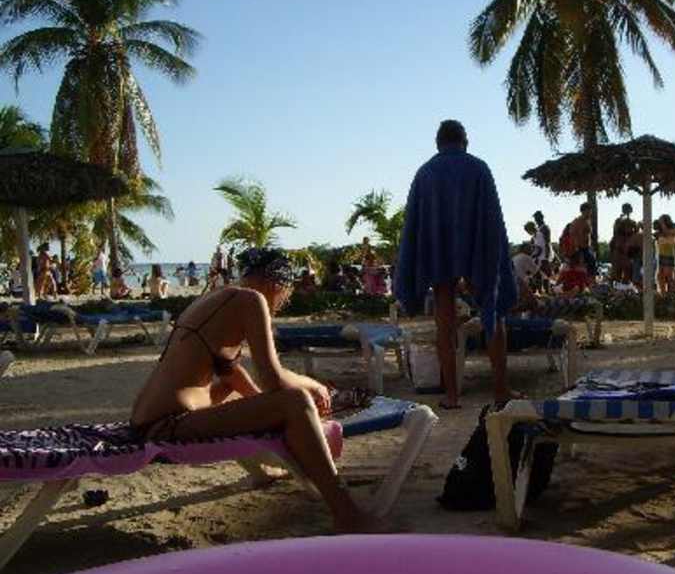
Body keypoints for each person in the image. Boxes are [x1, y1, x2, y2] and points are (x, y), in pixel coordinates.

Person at [130, 248, 376, 532]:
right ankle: (346, 513)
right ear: (277, 285)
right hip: (167, 424)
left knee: (270, 400)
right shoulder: (252, 300)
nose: (280, 305)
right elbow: (273, 378)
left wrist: (265, 403)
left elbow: (232, 374)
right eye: (284, 297)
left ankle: (273, 471)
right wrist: (313, 387)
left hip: (149, 415)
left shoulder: (216, 296)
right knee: (295, 402)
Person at [394, 119, 517, 409]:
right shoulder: (479, 168)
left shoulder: (425, 173)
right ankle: (501, 390)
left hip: (439, 253)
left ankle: (451, 395)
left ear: (438, 144)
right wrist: (493, 257)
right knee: (493, 311)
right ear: (465, 141)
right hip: (477, 248)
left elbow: (415, 224)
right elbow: (492, 218)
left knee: (444, 322)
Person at [609, 203, 637, 284]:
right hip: (618, 248)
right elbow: (615, 232)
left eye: (628, 210)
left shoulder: (633, 222)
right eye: (626, 210)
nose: (627, 212)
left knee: (627, 271)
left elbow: (635, 233)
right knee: (616, 271)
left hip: (627, 250)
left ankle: (624, 289)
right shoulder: (618, 221)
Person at [567, 203, 596, 278]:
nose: (590, 212)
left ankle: (590, 281)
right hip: (579, 248)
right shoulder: (577, 222)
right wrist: (576, 249)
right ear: (583, 211)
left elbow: (589, 235)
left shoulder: (588, 221)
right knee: (590, 263)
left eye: (591, 211)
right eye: (589, 210)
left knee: (592, 263)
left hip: (587, 248)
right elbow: (573, 235)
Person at [655, 215, 675, 295]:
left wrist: (662, 223)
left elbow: (667, 233)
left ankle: (670, 294)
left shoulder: (673, 229)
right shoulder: (659, 232)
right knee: (660, 276)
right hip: (661, 255)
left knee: (669, 276)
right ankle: (663, 294)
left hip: (669, 255)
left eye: (661, 220)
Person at [532, 211, 554, 282]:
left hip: (544, 252)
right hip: (537, 252)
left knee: (545, 271)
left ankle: (549, 288)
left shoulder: (545, 228)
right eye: (535, 218)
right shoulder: (536, 229)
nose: (536, 220)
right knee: (537, 271)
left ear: (541, 218)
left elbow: (548, 242)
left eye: (537, 218)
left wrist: (546, 256)